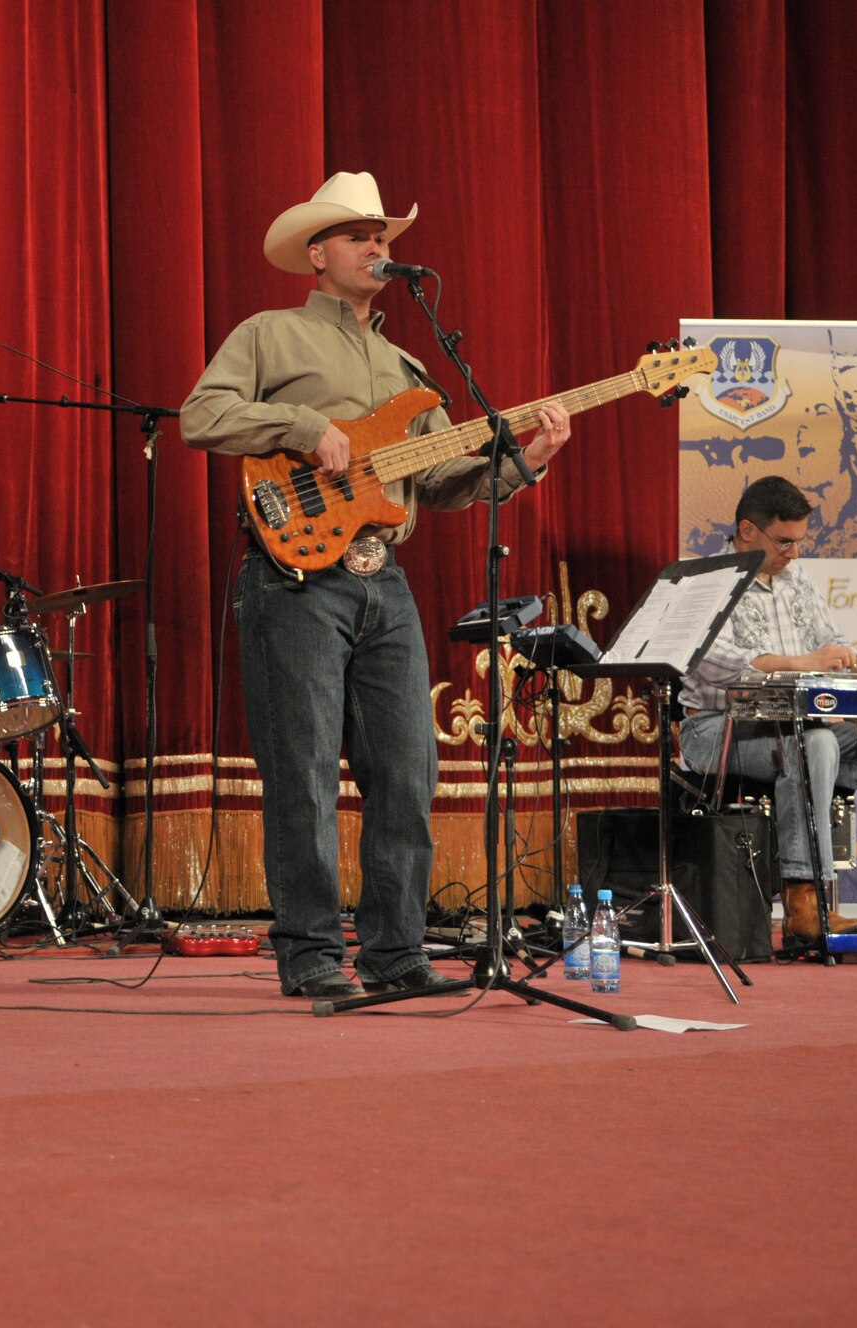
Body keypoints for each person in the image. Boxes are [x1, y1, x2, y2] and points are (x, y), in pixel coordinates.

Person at [181, 172, 572, 1000]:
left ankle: (396, 953)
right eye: (358, 234)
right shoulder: (270, 334)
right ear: (316, 253)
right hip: (292, 579)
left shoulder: (408, 364)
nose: (377, 246)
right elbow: (201, 416)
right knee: (305, 770)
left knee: (407, 770)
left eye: (383, 235)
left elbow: (438, 482)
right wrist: (304, 426)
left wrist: (520, 462)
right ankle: (312, 952)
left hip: (381, 578)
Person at [678, 475, 857, 937]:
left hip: (800, 725)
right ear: (747, 530)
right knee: (815, 743)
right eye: (785, 541)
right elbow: (717, 666)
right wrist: (803, 662)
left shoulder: (794, 576)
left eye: (799, 542)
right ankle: (808, 901)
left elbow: (832, 642)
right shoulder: (706, 579)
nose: (794, 553)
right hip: (717, 729)